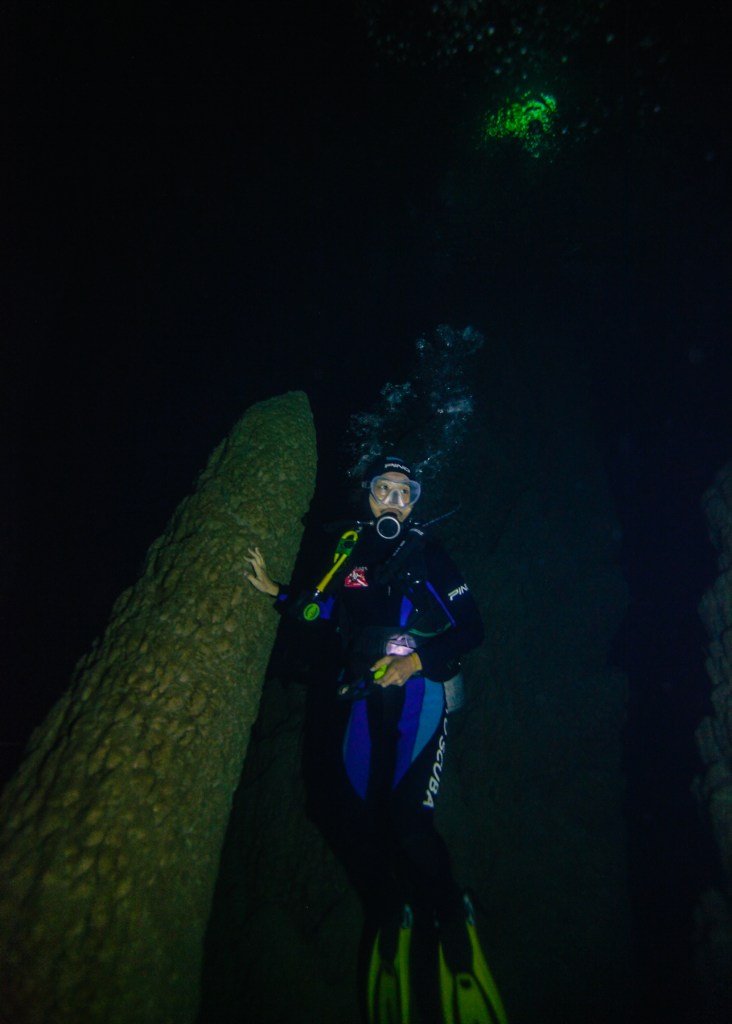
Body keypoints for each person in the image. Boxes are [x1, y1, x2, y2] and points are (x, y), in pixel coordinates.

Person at [245, 455, 508, 1024]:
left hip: (419, 693)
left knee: (408, 821)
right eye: (383, 489)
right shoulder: (349, 551)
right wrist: (277, 592)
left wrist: (415, 662)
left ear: (414, 503)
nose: (392, 500)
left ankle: (452, 917)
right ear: (366, 496)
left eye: (403, 492)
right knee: (350, 815)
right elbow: (325, 609)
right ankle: (390, 911)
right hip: (363, 694)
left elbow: (473, 627)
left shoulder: (429, 554)